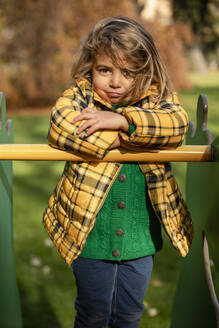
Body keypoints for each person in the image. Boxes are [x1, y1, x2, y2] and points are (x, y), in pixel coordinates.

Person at [43, 16, 193, 328]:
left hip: (139, 240)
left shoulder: (157, 100)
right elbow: (61, 125)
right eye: (105, 70)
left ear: (146, 71)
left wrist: (123, 125)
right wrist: (127, 139)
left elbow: (177, 125)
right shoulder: (80, 97)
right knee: (93, 315)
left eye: (128, 72)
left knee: (129, 316)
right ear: (90, 66)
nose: (115, 82)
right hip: (90, 236)